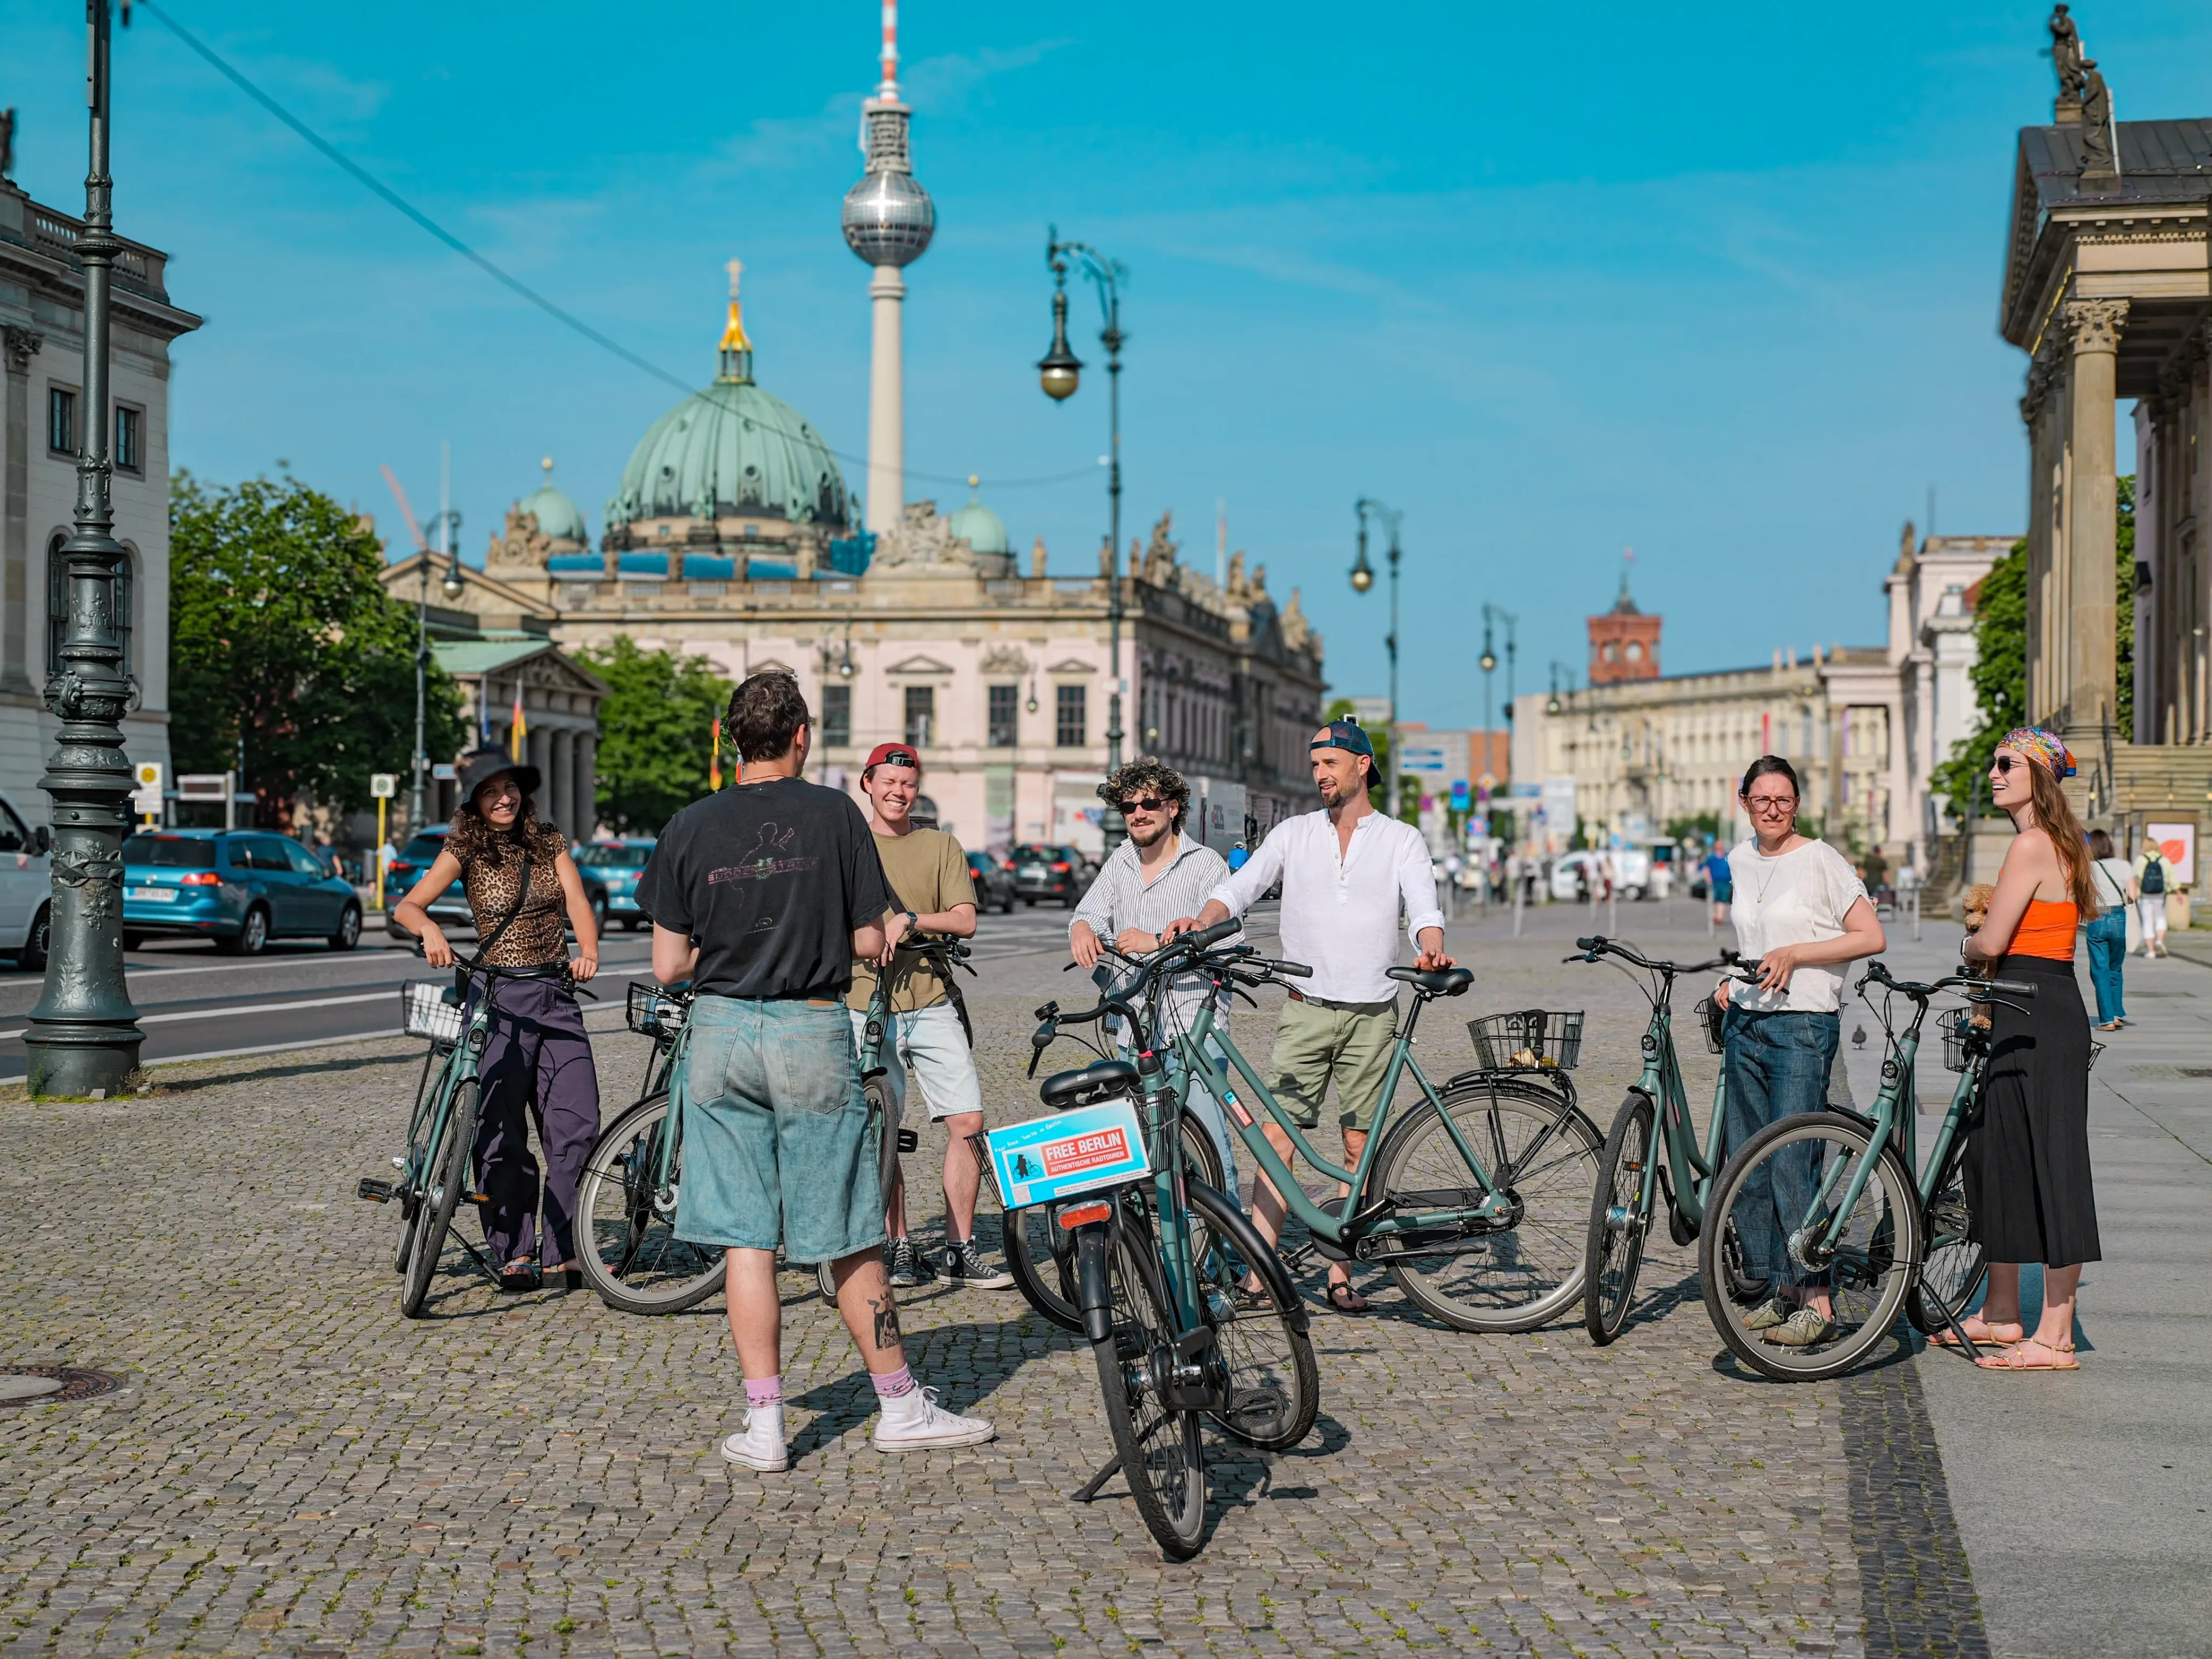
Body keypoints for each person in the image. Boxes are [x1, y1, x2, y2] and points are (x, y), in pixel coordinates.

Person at [635, 671, 992, 1470]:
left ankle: (764, 1428)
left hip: (721, 1033)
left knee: (745, 1239)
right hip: (809, 1026)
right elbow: (871, 941)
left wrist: (731, 944)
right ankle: (899, 1404)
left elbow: (667, 965)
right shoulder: (833, 813)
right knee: (849, 1231)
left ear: (732, 741)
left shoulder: (688, 825)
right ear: (802, 736)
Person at [1164, 719, 1452, 1313]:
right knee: (1277, 1140)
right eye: (1315, 763)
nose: (1320, 773)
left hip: (1372, 1010)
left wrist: (1430, 943)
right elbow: (1242, 887)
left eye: (1331, 762)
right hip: (1304, 1011)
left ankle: (1339, 1272)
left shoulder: (1401, 839)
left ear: (1362, 766)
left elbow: (1424, 904)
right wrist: (1204, 917)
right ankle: (1259, 1276)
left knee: (1357, 1145)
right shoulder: (1294, 834)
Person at [394, 748, 602, 1292]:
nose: (503, 799)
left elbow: (578, 901)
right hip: (499, 997)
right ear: (474, 802)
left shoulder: (549, 840)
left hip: (557, 993)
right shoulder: (464, 849)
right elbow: (407, 907)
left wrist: (589, 950)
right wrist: (431, 931)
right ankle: (514, 1249)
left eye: (509, 788)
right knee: (500, 1131)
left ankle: (563, 1248)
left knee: (575, 1125)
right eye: (490, 791)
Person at [1714, 756, 1886, 1348]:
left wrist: (1797, 954)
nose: (1772, 809)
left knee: (1793, 1162)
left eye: (1783, 800)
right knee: (1748, 1162)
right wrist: (1731, 983)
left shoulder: (1821, 860)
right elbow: (1753, 941)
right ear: (1744, 802)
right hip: (1747, 1022)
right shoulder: (1739, 859)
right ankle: (1779, 1289)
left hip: (1803, 1026)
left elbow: (1870, 935)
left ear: (1797, 805)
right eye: (1762, 799)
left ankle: (1818, 1298)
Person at [1953, 728, 2101, 1372]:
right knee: (1997, 1152)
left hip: (2036, 1002)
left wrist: (1968, 945)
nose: (1994, 772)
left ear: (2037, 775)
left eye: (2006, 764)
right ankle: (2002, 1311)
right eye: (1994, 762)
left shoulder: (2032, 843)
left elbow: (1991, 940)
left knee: (2053, 1160)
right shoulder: (2053, 842)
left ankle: (2057, 1335)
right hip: (2032, 1002)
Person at [846, 741, 1010, 1291]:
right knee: (884, 1129)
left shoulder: (940, 845)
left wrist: (912, 920)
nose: (898, 792)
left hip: (931, 998)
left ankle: (960, 1248)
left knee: (968, 1121)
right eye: (888, 782)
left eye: (908, 784)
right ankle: (898, 1244)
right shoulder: (848, 843)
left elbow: (965, 920)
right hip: (863, 1003)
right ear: (867, 783)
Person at [1069, 757, 1238, 1202]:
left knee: (1207, 1149)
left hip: (1191, 1030)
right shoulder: (1121, 861)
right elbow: (1088, 912)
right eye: (1128, 807)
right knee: (1144, 1150)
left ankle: (1232, 1260)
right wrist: (1083, 929)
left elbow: (1228, 939)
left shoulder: (1206, 866)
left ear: (1174, 807)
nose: (1138, 813)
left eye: (1149, 803)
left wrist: (1158, 942)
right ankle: (1166, 1255)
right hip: (1134, 1031)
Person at [2084, 828, 2134, 1031]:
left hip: (2097, 917)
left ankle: (2107, 1020)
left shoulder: (2088, 867)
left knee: (2100, 970)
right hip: (2120, 917)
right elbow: (2133, 894)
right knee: (2116, 967)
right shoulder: (2124, 865)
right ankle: (2117, 1014)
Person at [2134, 836, 2172, 957]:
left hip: (2145, 895)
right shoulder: (2164, 860)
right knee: (2161, 917)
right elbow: (2172, 877)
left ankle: (2151, 951)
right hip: (2160, 894)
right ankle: (2159, 940)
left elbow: (2136, 877)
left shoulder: (2141, 860)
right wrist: (2174, 889)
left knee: (2147, 921)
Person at [1701, 842, 1733, 925]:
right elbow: (1706, 868)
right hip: (1714, 882)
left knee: (1722, 900)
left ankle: (1719, 917)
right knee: (1715, 899)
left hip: (1726, 882)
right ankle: (1715, 915)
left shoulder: (1727, 857)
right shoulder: (1711, 858)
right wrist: (1707, 878)